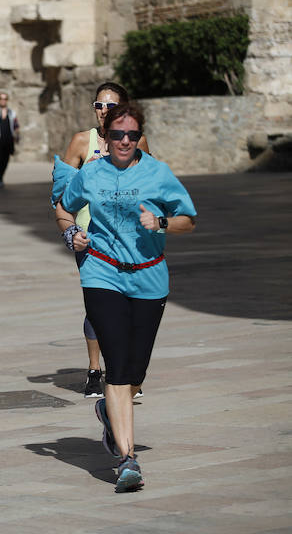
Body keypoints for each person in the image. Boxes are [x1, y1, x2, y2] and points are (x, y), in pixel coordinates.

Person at [56, 102, 196, 493]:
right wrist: (71, 235)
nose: (124, 141)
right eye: (117, 134)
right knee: (117, 366)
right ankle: (127, 459)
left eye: (132, 135)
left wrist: (163, 222)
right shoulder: (90, 174)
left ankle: (107, 411)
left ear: (140, 137)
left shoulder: (158, 173)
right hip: (102, 274)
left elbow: (189, 219)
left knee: (135, 372)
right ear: (107, 136)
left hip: (149, 277)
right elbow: (64, 209)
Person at [54, 82, 151, 398]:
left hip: (129, 239)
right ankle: (96, 371)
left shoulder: (137, 141)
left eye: (111, 106)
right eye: (99, 105)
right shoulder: (82, 142)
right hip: (90, 239)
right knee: (99, 305)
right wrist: (70, 233)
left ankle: (124, 372)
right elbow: (60, 196)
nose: (103, 112)